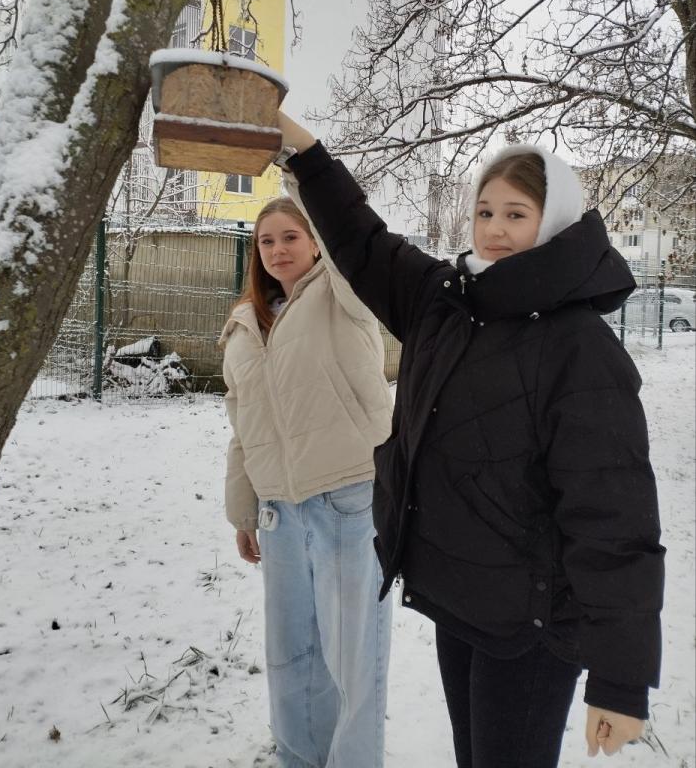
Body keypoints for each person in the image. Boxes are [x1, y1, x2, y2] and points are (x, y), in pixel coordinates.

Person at [275, 111, 665, 768]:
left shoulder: (578, 348)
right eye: (485, 212)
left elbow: (614, 520)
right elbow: (362, 242)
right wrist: (305, 151)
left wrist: (620, 681)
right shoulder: (448, 302)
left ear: (554, 221)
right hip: (462, 602)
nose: (495, 229)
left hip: (532, 627)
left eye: (516, 214)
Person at [220, 196, 393, 768]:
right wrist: (244, 511)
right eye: (266, 241)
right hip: (279, 511)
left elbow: (351, 235)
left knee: (352, 658)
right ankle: (298, 759)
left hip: (347, 498)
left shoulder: (344, 294)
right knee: (292, 654)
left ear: (317, 240)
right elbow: (243, 424)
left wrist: (300, 168)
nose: (278, 250)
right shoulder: (245, 322)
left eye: (291, 236)